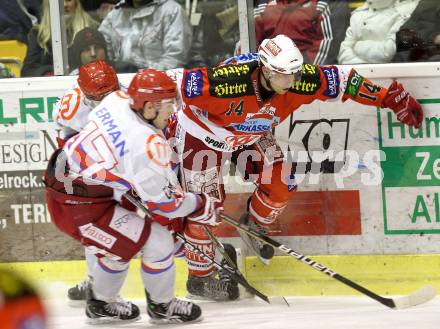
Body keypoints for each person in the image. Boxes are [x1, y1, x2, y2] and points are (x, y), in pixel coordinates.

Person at [164, 34, 423, 297]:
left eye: (294, 74)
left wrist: (389, 98)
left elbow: (344, 81)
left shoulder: (299, 79)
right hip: (202, 134)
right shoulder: (228, 82)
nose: (292, 81)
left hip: (251, 133)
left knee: (281, 183)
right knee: (205, 208)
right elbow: (169, 83)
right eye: (284, 75)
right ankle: (200, 278)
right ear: (265, 70)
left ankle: (254, 223)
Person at [44, 68, 221, 324]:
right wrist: (200, 205)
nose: (173, 111)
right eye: (168, 105)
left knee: (122, 245)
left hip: (72, 183)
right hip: (76, 203)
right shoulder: (145, 143)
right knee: (158, 242)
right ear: (148, 107)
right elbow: (165, 205)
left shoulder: (118, 101)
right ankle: (161, 306)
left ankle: (102, 304)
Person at [98, 0, 192, 70]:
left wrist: (143, 74)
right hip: (120, 84)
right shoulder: (116, 14)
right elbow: (102, 50)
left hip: (159, 85)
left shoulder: (171, 11)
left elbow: (175, 59)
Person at [21, 0, 98, 77]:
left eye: (68, 0)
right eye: (59, 1)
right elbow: (28, 71)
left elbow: (99, 64)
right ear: (49, 6)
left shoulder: (91, 29)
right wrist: (50, 74)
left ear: (76, 3)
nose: (64, 5)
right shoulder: (38, 34)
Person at [337, 0, 419, 64]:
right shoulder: (358, 14)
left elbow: (387, 52)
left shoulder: (405, 10)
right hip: (355, 78)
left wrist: (358, 46)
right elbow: (343, 55)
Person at [68, 27, 138, 74]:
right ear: (78, 55)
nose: (93, 54)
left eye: (97, 47)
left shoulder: (125, 71)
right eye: (87, 49)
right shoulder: (71, 79)